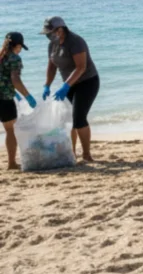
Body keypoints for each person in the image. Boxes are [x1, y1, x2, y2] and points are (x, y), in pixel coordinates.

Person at [41, 17, 100, 162]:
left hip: (87, 82)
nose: (48, 35)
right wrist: (47, 85)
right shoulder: (52, 44)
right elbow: (52, 66)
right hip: (68, 84)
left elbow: (81, 67)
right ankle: (71, 153)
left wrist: (65, 86)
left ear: (60, 29)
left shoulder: (75, 42)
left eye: (50, 32)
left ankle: (86, 155)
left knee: (79, 118)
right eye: (47, 33)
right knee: (67, 120)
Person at [2, 33, 37, 170]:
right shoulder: (15, 58)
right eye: (20, 47)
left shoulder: (1, 56)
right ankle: (11, 163)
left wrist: (13, 91)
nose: (20, 49)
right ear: (17, 45)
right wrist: (28, 96)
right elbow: (15, 80)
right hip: (5, 99)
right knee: (10, 130)